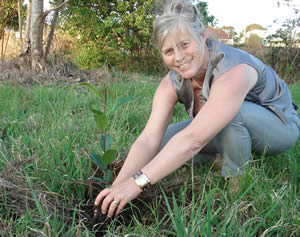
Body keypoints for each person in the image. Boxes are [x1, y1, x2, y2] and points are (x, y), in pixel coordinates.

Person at [94, 0, 300, 218]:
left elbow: (193, 139)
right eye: (169, 51)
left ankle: (237, 189)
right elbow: (148, 139)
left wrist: (138, 182)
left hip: (279, 126)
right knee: (163, 145)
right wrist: (117, 188)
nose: (179, 57)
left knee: (231, 117)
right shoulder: (170, 83)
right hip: (226, 128)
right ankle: (221, 158)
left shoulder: (234, 70)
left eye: (184, 45)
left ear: (202, 36)